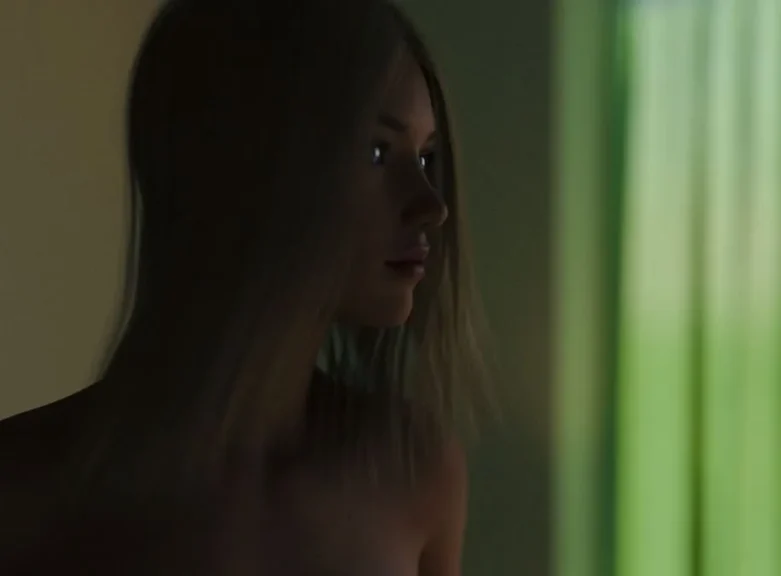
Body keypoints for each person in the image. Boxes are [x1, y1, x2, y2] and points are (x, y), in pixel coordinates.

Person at [0, 0, 488, 573]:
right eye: (377, 152)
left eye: (426, 158)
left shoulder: (414, 474)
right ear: (247, 166)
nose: (431, 205)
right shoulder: (27, 487)